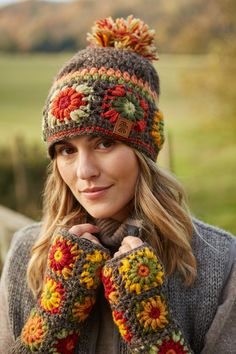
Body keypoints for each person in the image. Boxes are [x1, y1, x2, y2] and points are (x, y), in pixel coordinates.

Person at [0, 15, 235, 354]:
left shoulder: (219, 261)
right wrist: (54, 321)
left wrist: (152, 333)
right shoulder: (29, 252)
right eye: (67, 150)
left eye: (104, 144)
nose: (85, 171)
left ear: (143, 150)